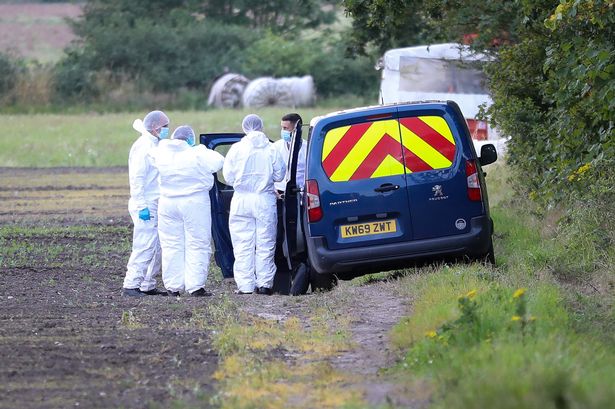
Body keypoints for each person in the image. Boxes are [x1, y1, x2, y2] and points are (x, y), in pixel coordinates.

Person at [152, 125, 224, 297]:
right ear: (190, 139)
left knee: (171, 244)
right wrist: (200, 149)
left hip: (167, 202)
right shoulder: (198, 153)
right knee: (197, 243)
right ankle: (195, 287)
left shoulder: (161, 152)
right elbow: (219, 161)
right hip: (194, 202)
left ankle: (173, 287)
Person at [223, 114, 286, 295]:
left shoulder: (236, 149)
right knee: (266, 242)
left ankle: (245, 286)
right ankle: (265, 284)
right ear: (261, 127)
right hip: (264, 199)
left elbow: (228, 176)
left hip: (241, 200)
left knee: (242, 244)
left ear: (244, 128)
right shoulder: (272, 149)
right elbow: (280, 175)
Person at [123, 110, 170, 297]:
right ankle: (131, 285)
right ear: (156, 127)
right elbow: (137, 179)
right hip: (145, 203)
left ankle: (147, 284)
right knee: (144, 244)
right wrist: (141, 205)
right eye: (164, 127)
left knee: (156, 245)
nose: (167, 130)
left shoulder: (154, 144)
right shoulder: (143, 147)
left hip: (155, 201)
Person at [273, 113, 307, 194]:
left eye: (286, 128)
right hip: (279, 191)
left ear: (297, 128)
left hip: (299, 191)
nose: (283, 131)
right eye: (282, 128)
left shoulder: (307, 148)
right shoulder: (276, 147)